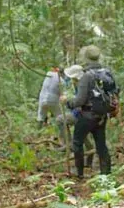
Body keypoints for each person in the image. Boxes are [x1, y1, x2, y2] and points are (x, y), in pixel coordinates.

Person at [66, 46, 114, 178]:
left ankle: (79, 173)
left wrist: (68, 102)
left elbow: (80, 100)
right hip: (102, 116)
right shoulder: (107, 73)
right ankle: (106, 174)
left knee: (77, 143)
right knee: (101, 145)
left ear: (86, 58)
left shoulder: (87, 76)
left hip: (87, 115)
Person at [37, 66, 69, 151]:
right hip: (53, 100)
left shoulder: (48, 74)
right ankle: (64, 140)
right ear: (62, 73)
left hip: (42, 99)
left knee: (40, 118)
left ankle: (37, 137)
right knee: (61, 118)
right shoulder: (62, 81)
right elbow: (62, 95)